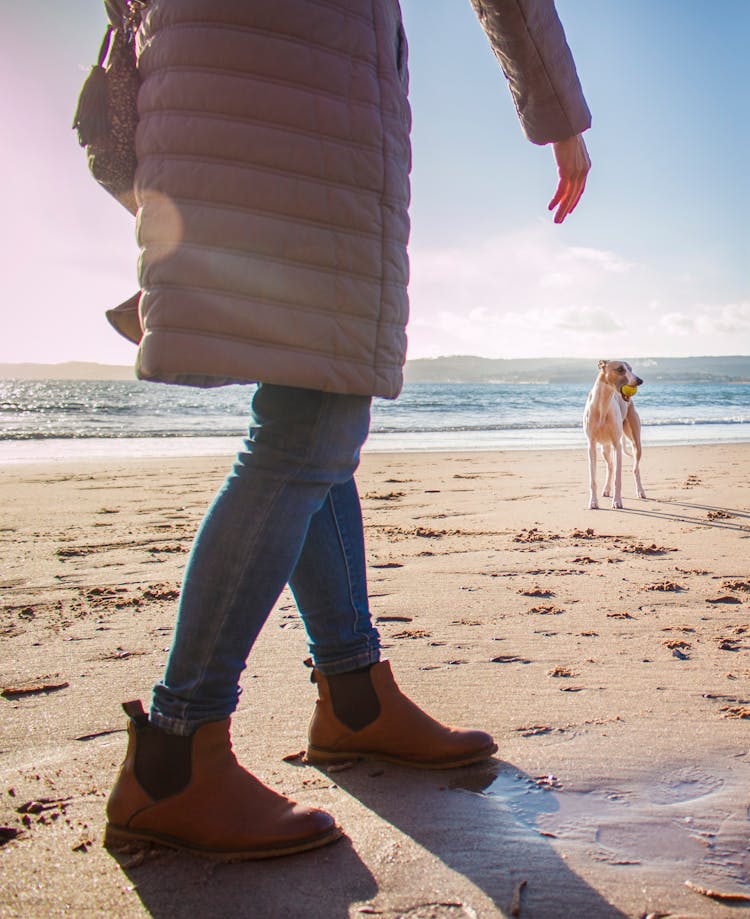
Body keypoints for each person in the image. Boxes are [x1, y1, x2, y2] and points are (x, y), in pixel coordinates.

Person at [103, 0, 591, 860]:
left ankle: (354, 694)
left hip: (233, 71)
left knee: (315, 401)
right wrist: (560, 118)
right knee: (311, 424)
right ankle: (176, 753)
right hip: (300, 76)